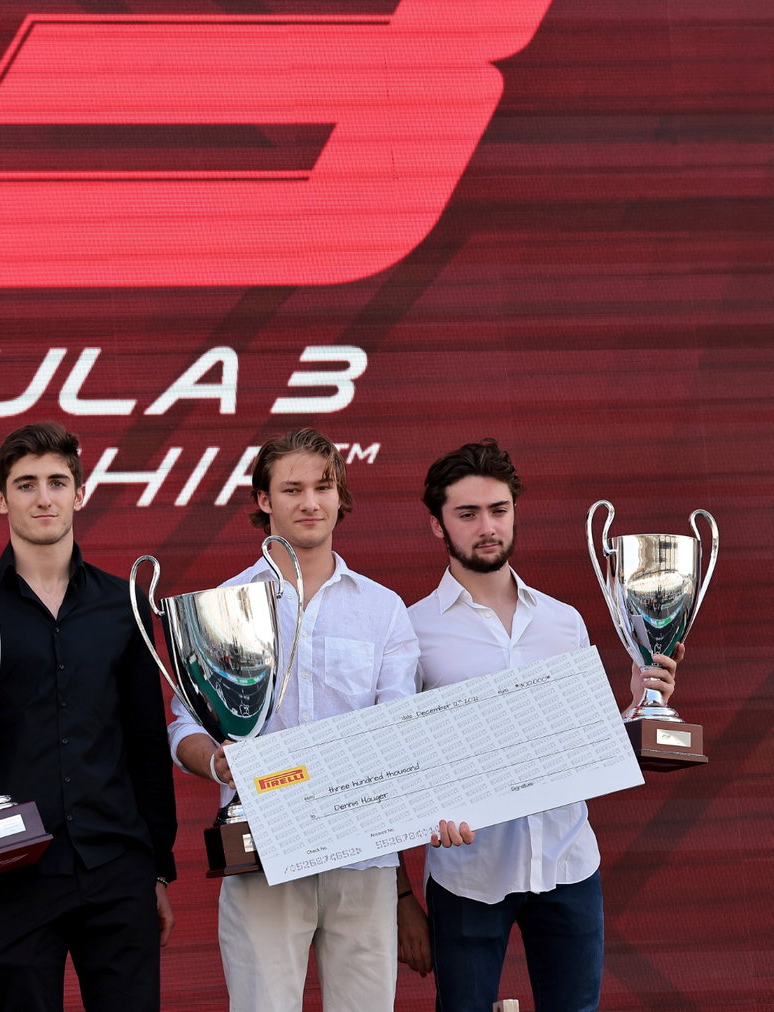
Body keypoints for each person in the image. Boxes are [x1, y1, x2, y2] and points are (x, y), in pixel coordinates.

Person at [0, 421, 178, 1012]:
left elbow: (147, 743)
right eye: (26, 484)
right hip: (14, 870)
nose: (43, 497)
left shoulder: (123, 603)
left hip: (117, 866)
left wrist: (157, 869)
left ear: (80, 493)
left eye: (57, 481)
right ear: (0, 498)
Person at [398, 439, 679, 1011]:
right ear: (437, 525)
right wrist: (424, 822)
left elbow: (588, 747)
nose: (487, 527)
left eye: (498, 510)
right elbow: (400, 761)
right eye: (467, 513)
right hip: (468, 874)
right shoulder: (410, 630)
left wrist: (635, 709)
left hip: (570, 862)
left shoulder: (563, 621)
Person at [168, 428, 421, 1012]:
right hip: (263, 848)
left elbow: (398, 728)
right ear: (264, 501)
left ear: (339, 497)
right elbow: (184, 725)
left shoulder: (383, 609)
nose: (310, 502)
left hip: (364, 853)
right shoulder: (222, 606)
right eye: (292, 489)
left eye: (323, 487)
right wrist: (217, 761)